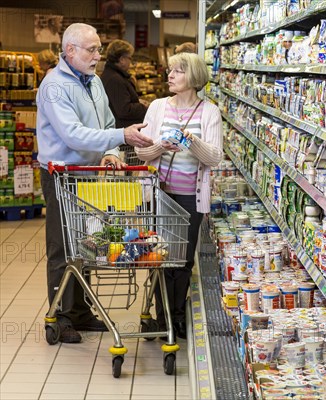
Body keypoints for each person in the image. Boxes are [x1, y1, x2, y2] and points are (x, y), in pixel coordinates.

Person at [36, 22, 154, 343]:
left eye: (100, 49)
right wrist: (122, 136)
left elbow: (107, 123)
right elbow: (72, 134)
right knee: (63, 248)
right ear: (70, 50)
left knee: (86, 244)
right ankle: (60, 318)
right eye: (92, 49)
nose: (98, 55)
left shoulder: (95, 83)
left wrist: (112, 151)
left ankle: (81, 312)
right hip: (61, 175)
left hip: (89, 176)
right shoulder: (54, 87)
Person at [135, 52, 223, 339]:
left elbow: (214, 157)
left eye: (177, 71)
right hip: (159, 195)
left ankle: (177, 317)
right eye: (170, 70)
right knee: (159, 258)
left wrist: (192, 142)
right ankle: (163, 320)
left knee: (182, 260)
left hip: (190, 198)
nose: (169, 75)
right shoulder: (158, 108)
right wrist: (161, 145)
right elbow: (141, 151)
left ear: (194, 77)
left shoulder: (209, 112)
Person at [101, 39, 148, 128]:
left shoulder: (112, 75)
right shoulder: (114, 79)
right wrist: (142, 106)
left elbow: (119, 101)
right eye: (130, 58)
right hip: (123, 133)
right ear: (122, 59)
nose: (131, 62)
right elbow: (124, 110)